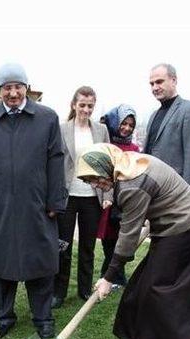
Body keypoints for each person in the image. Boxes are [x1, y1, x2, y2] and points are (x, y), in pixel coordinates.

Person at [78, 143, 190, 339]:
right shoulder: (125, 165)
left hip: (186, 229)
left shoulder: (131, 184)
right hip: (168, 228)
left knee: (163, 293)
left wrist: (108, 276)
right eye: (89, 181)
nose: (95, 185)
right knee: (140, 289)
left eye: (95, 178)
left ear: (107, 167)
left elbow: (128, 235)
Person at [0, 62, 67, 339]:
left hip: (37, 204)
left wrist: (54, 202)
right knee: (1, 263)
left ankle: (43, 318)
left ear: (27, 87)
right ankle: (3, 318)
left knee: (40, 262)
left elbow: (56, 160)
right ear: (0, 90)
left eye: (18, 86)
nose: (13, 93)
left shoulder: (47, 118)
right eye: (7, 87)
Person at [52, 86, 109, 309]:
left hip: (91, 196)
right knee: (63, 247)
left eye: (90, 106)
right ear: (74, 105)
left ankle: (85, 289)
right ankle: (59, 292)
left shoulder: (101, 130)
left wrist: (107, 194)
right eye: (82, 105)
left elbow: (107, 164)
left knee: (87, 246)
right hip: (68, 196)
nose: (86, 109)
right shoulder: (61, 129)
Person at [144, 63, 190, 199]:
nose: (155, 87)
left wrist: (186, 196)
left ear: (173, 80)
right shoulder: (153, 116)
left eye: (159, 82)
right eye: (152, 84)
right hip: (154, 192)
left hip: (177, 193)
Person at [98, 104, 140, 288]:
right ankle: (112, 276)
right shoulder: (107, 145)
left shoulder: (135, 148)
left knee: (122, 240)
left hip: (126, 200)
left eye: (131, 125)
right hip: (108, 200)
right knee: (109, 241)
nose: (126, 128)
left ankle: (115, 276)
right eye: (123, 123)